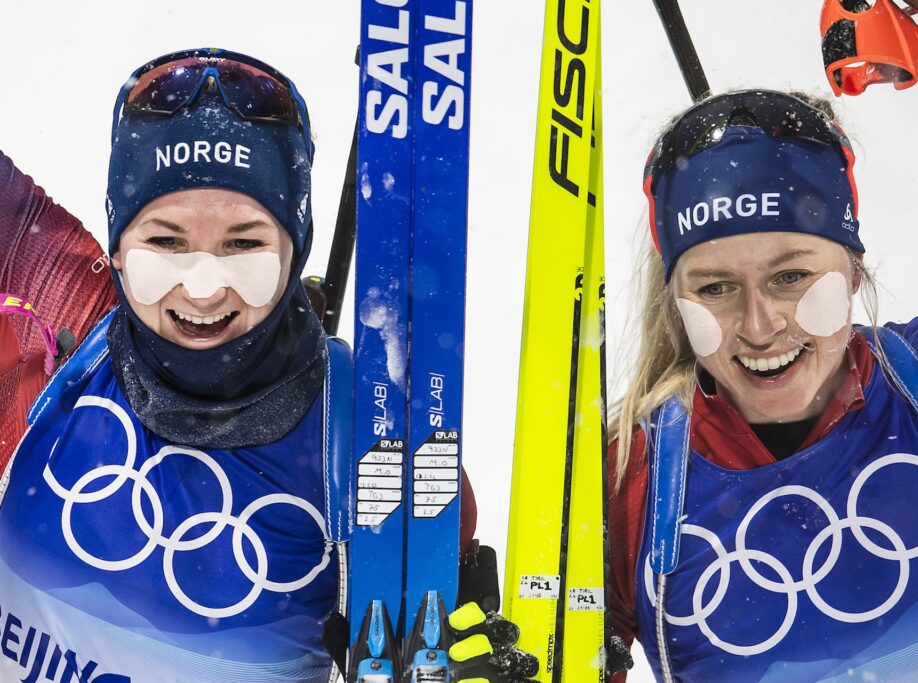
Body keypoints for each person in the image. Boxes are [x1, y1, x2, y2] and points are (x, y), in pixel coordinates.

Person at [0, 48, 534, 683]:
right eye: (165, 242)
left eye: (245, 244)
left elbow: (427, 652)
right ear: (117, 248)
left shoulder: (374, 449)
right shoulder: (56, 317)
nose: (202, 290)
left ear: (293, 246)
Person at [606, 89, 918, 682]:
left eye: (791, 277)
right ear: (675, 301)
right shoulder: (629, 487)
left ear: (853, 270)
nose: (760, 326)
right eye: (715, 288)